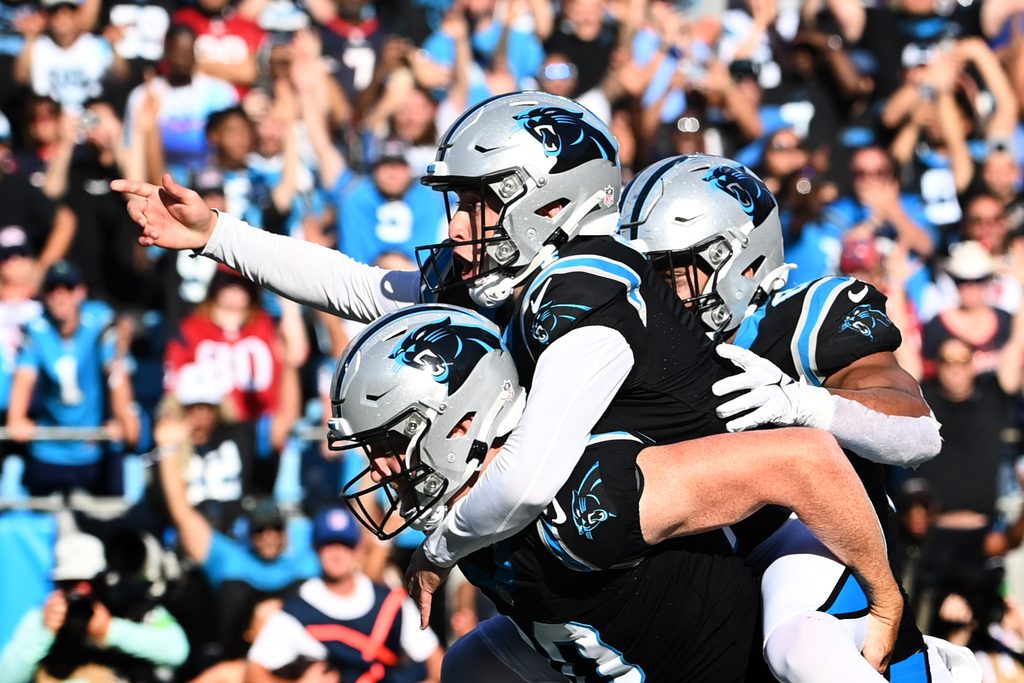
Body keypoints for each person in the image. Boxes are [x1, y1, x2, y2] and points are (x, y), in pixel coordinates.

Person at [110, 90, 905, 668]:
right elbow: (360, 288)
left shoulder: (586, 290)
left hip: (758, 526)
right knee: (473, 665)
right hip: (631, 524)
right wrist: (217, 235)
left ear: (549, 203)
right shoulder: (506, 280)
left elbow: (528, 478)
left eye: (477, 205)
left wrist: (439, 548)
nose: (457, 228)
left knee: (800, 655)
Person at [328, 303, 893, 681]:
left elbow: (804, 458)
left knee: (806, 655)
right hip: (628, 656)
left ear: (459, 423)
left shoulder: (586, 497)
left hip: (751, 662)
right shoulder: (464, 517)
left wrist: (887, 601)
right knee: (472, 666)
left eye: (388, 443)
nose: (378, 470)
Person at [618, 154, 976, 681]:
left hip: (809, 539)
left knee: (802, 646)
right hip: (696, 566)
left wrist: (804, 403)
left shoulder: (806, 317)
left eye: (673, 271)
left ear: (741, 260)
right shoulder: (627, 344)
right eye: (646, 275)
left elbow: (919, 432)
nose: (658, 293)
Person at [156, 421, 319, 659]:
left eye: (275, 529)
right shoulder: (229, 557)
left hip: (302, 666)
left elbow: (361, 539)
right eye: (260, 530)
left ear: (285, 531)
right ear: (249, 533)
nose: (268, 537)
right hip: (239, 662)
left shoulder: (308, 552)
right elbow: (182, 513)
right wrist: (168, 450)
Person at [245, 505, 443, 683]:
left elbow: (436, 661)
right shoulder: (297, 610)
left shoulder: (391, 602)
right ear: (316, 549)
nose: (337, 554)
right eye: (329, 545)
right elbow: (253, 674)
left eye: (345, 545)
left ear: (357, 550)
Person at [6, 260, 140, 495]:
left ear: (80, 292)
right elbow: (24, 379)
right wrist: (16, 419)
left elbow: (116, 372)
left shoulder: (99, 322)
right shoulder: (36, 330)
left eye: (67, 288)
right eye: (52, 289)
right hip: (48, 449)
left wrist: (124, 417)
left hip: (93, 447)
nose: (60, 297)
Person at [0, 532, 189, 682]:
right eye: (71, 583)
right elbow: (6, 678)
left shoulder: (131, 609)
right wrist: (44, 633)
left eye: (90, 582)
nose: (81, 591)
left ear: (105, 581)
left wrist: (111, 630)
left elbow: (177, 650)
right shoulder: (42, 619)